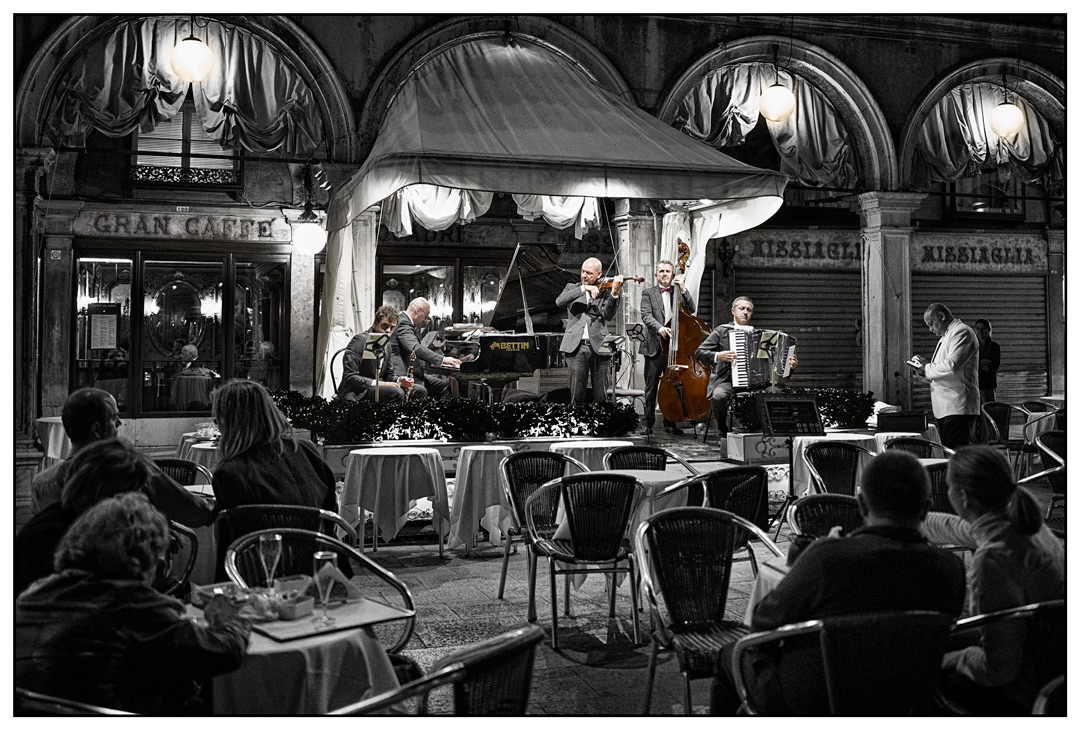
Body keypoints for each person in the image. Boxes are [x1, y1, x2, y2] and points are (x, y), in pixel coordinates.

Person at [710, 450, 967, 714]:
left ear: (862, 504)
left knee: (729, 654)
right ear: (926, 507)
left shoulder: (826, 558)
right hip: (904, 695)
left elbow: (764, 623)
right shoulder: (950, 569)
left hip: (816, 698)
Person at [16, 492, 250, 714]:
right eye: (159, 552)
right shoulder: (132, 605)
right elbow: (222, 652)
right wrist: (229, 621)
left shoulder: (36, 595)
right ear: (144, 556)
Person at [922, 446, 1065, 714]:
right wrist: (910, 520)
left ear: (962, 496)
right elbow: (963, 529)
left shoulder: (993, 560)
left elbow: (1000, 670)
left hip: (1026, 690)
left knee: (923, 670)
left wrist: (953, 659)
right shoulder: (1028, 527)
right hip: (1055, 664)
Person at [30, 388, 213, 526]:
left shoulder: (41, 483)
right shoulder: (130, 468)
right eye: (114, 417)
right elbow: (191, 511)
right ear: (97, 429)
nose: (119, 422)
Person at [694, 296, 797, 440]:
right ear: (733, 311)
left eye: (749, 310)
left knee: (777, 391)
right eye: (741, 309)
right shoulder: (722, 331)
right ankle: (723, 431)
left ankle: (768, 431)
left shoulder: (761, 336)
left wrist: (789, 366)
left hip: (756, 383)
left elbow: (774, 364)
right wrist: (719, 355)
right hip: (727, 380)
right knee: (718, 396)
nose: (745, 312)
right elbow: (699, 353)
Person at [912, 303, 980, 449]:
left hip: (958, 407)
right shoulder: (947, 336)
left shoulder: (962, 332)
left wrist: (927, 367)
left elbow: (951, 366)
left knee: (958, 455)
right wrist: (923, 371)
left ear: (941, 316)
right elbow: (941, 371)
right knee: (950, 453)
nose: (931, 329)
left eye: (931, 324)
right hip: (947, 408)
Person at [556, 257, 623, 405]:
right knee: (576, 395)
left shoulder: (605, 292)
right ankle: (576, 426)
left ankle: (602, 426)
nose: (585, 275)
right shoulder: (571, 287)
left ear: (599, 275)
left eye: (589, 273)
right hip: (576, 347)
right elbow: (559, 301)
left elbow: (608, 315)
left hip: (600, 346)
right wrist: (584, 288)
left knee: (601, 396)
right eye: (583, 272)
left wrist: (615, 294)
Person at [640, 259, 695, 435]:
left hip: (675, 348)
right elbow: (646, 316)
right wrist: (660, 328)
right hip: (655, 346)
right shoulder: (648, 293)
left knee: (673, 386)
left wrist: (684, 289)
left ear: (672, 275)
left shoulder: (679, 292)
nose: (665, 274)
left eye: (668, 272)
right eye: (661, 271)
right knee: (651, 387)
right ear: (656, 275)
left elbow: (692, 309)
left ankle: (670, 423)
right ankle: (648, 424)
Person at [336, 305, 418, 403]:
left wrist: (400, 380)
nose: (388, 331)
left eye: (392, 328)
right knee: (397, 393)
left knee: (419, 391)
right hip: (357, 391)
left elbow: (389, 375)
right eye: (385, 326)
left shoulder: (387, 344)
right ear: (375, 323)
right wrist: (382, 384)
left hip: (375, 388)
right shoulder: (359, 341)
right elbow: (350, 377)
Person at [389, 297, 460, 400]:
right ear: (418, 310)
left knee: (444, 385)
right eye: (425, 316)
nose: (424, 320)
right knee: (440, 387)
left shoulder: (403, 321)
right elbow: (415, 348)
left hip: (412, 373)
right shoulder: (403, 323)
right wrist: (443, 359)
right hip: (402, 375)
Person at [973, 318, 1000, 406]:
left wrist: (977, 363)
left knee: (988, 410)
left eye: (983, 328)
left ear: (989, 330)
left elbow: (994, 366)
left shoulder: (994, 347)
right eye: (978, 328)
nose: (980, 331)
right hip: (974, 385)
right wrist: (985, 362)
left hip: (989, 385)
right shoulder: (972, 347)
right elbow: (970, 365)